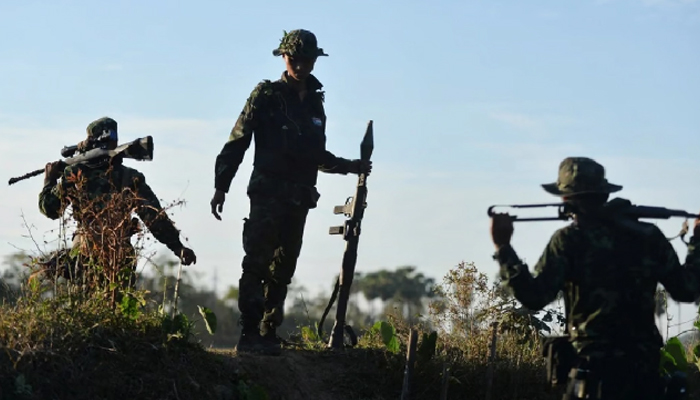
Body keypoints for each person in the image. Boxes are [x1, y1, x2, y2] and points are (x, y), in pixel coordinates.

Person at [211, 29, 372, 355]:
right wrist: (221, 185)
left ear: (314, 61)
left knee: (283, 269)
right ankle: (250, 335)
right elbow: (237, 141)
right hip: (267, 194)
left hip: (299, 198)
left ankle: (269, 333)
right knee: (256, 263)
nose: (300, 65)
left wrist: (349, 166)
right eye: (294, 58)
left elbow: (316, 155)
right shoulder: (266, 96)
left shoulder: (315, 102)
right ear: (284, 58)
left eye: (307, 59)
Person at [489, 157, 700, 399]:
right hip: (643, 378)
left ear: (566, 198)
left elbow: (534, 296)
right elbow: (687, 288)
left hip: (591, 378)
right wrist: (697, 242)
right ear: (603, 194)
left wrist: (503, 248)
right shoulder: (648, 237)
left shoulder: (568, 241)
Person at [39, 117, 196, 288]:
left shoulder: (75, 174)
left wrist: (49, 181)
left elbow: (50, 209)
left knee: (88, 309)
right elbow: (154, 217)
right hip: (120, 257)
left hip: (86, 255)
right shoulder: (130, 177)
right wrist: (177, 247)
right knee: (121, 308)